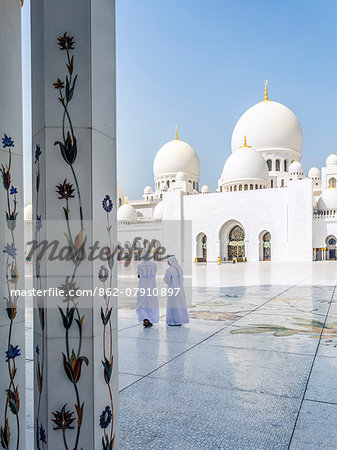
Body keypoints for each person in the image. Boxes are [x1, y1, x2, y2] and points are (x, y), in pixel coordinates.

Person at [164, 255, 189, 326]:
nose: (167, 262)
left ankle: (173, 320)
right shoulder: (180, 269)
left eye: (168, 261)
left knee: (172, 305)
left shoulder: (169, 270)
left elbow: (167, 280)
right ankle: (180, 320)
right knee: (180, 304)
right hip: (180, 290)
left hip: (173, 290)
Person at [136, 258, 159, 327]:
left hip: (142, 286)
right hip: (151, 286)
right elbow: (154, 274)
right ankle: (150, 318)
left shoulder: (139, 265)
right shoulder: (154, 265)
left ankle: (145, 319)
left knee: (142, 303)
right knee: (151, 303)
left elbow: (138, 275)